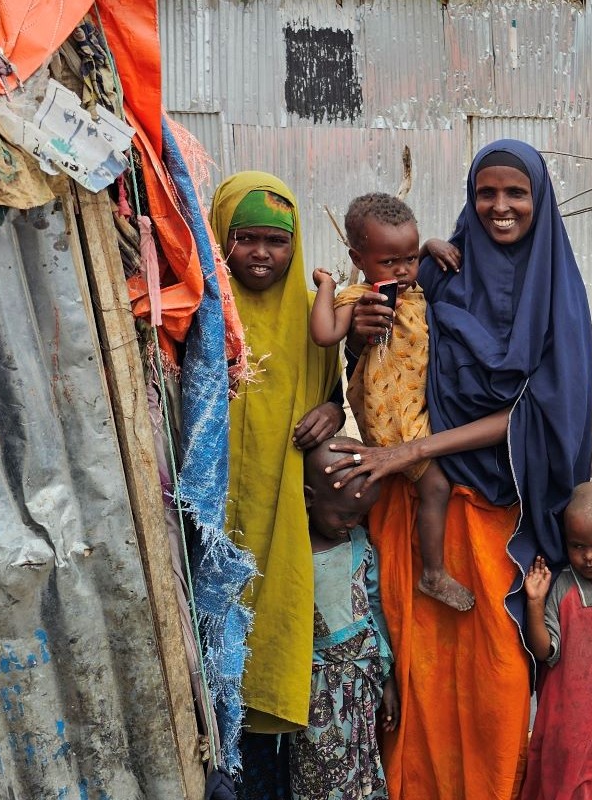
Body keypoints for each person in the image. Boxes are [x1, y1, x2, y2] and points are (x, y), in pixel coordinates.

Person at [329, 140, 592, 800]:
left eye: (516, 193)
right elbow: (385, 366)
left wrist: (419, 451)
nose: (499, 207)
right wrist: (362, 332)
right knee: (414, 673)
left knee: (496, 677)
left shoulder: (557, 293)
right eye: (486, 192)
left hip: (495, 513)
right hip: (414, 513)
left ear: (540, 198)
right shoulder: (438, 271)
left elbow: (543, 409)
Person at [213, 171, 346, 791]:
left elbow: (335, 395)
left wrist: (332, 410)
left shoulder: (311, 315)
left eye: (277, 241)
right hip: (212, 512)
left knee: (272, 637)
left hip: (283, 510)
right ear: (219, 238)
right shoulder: (202, 308)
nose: (262, 254)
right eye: (245, 239)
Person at [309, 193, 472, 612]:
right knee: (435, 485)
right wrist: (329, 286)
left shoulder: (411, 284)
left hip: (412, 407)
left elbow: (404, 259)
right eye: (388, 262)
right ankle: (433, 573)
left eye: (408, 259)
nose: (402, 270)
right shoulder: (358, 297)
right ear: (358, 258)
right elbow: (325, 334)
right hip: (392, 418)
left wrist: (430, 246)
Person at [519, 481, 592, 800]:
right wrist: (534, 603)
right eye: (577, 546)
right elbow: (544, 650)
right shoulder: (564, 587)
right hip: (566, 726)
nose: (588, 557)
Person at [292, 438, 397, 799]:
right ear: (309, 497)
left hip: (361, 686)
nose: (352, 524)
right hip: (313, 690)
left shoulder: (360, 546)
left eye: (360, 516)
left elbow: (375, 611)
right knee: (321, 781)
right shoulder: (292, 551)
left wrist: (387, 683)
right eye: (344, 515)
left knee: (362, 773)